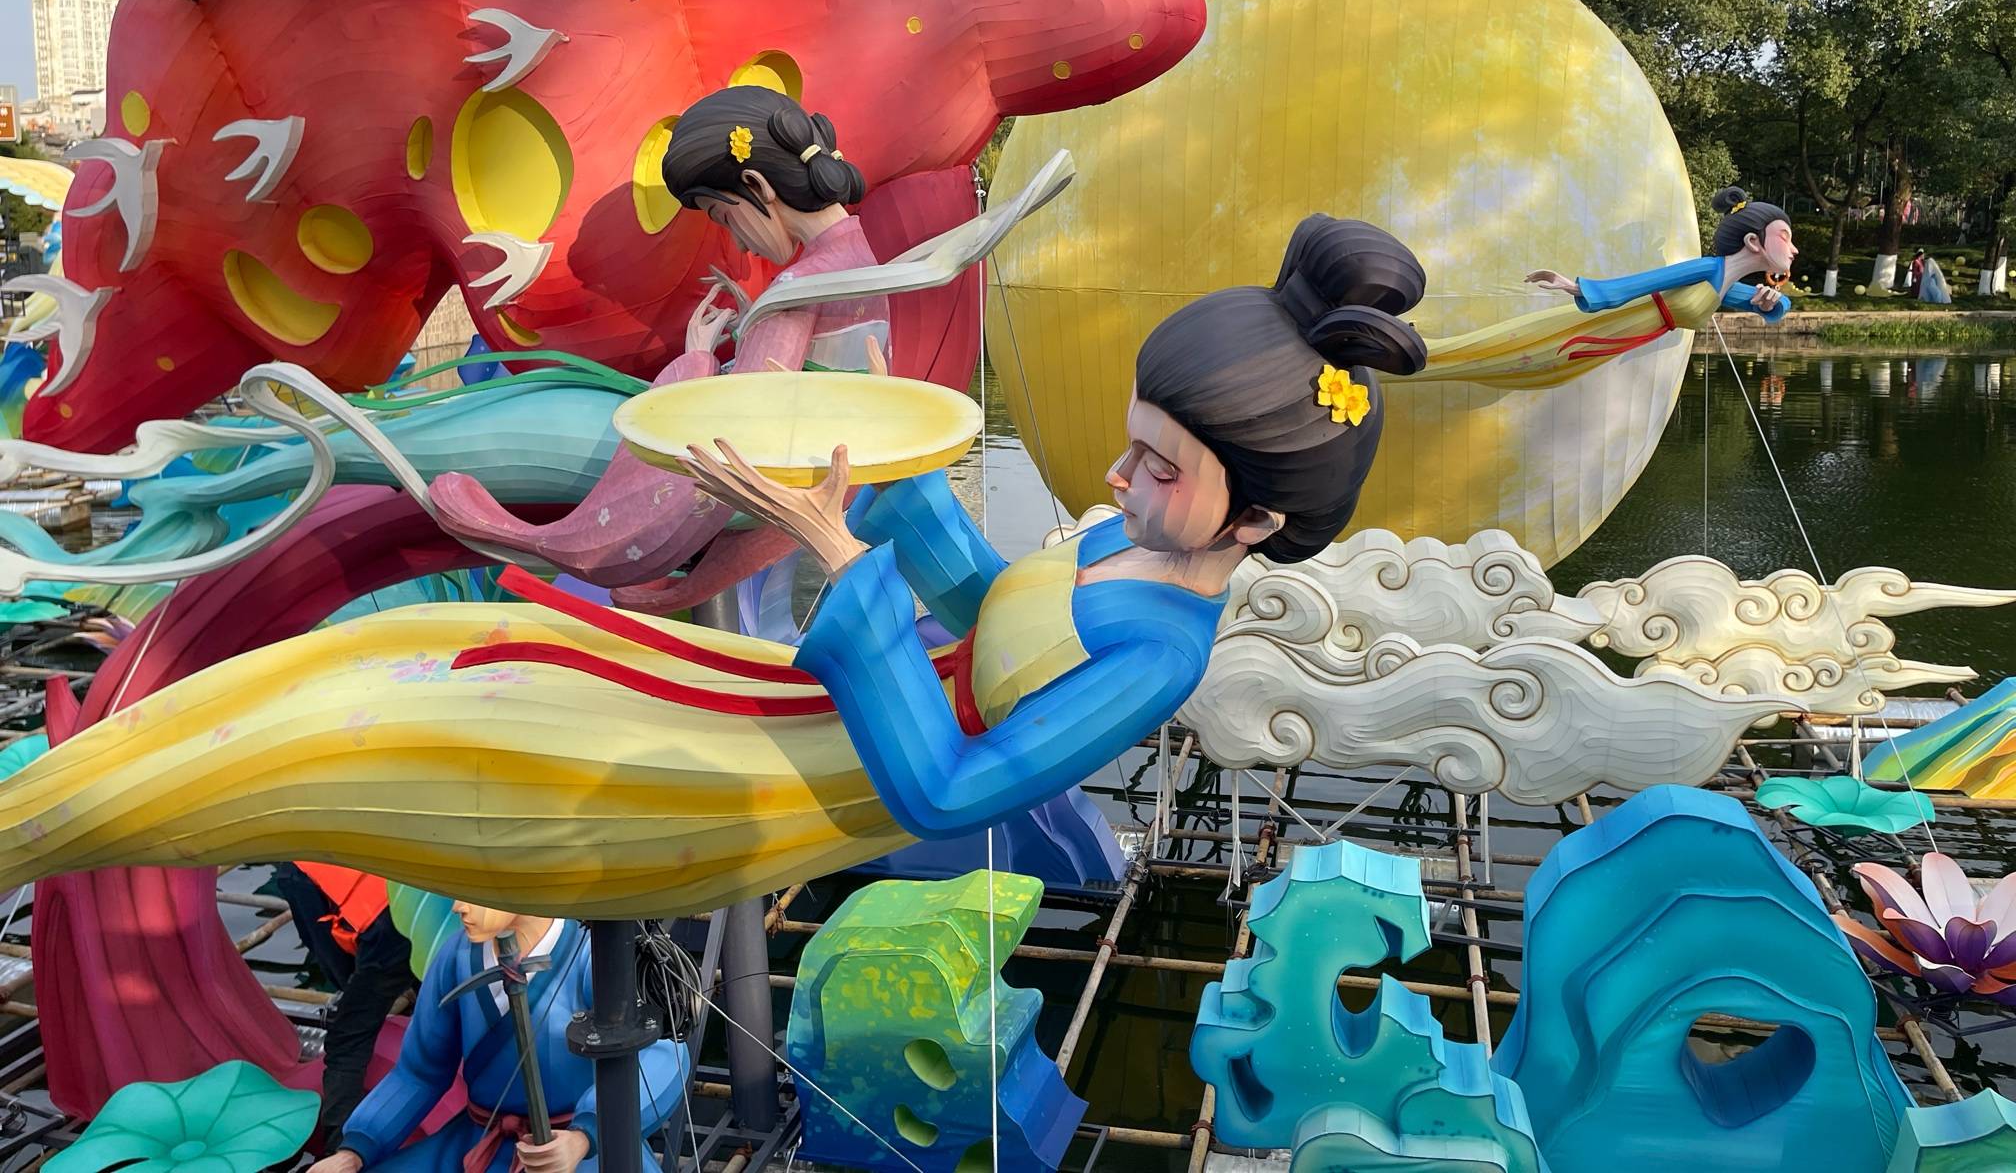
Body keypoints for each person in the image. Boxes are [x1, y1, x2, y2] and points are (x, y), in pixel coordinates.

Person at [0, 217, 1426, 914]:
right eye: (1131, 446)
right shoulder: (1125, 542)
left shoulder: (1157, 659)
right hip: (812, 703)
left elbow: (945, 790)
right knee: (498, 648)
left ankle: (93, 807)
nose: (1116, 482)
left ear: (1256, 523)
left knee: (459, 727)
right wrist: (893, 496)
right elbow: (998, 611)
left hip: (815, 780)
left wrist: (840, 564)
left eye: (1159, 468)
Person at [427, 85, 889, 587]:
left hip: (771, 469)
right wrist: (753, 320)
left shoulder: (798, 285)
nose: (738, 242)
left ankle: (567, 540)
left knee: (663, 395)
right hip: (836, 455)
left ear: (756, 185)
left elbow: (748, 408)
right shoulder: (860, 256)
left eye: (724, 216)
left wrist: (696, 360)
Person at [306, 900, 687, 1173]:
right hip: (478, 1139)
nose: (457, 906)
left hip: (577, 1148)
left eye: (473, 892)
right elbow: (419, 1073)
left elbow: (664, 1052)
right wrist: (357, 1149)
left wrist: (585, 1135)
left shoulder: (595, 954)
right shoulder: (456, 957)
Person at [1402, 185, 1796, 391]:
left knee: (1525, 366)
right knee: (1514, 349)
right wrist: (1575, 287)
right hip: (1608, 326)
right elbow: (1644, 283)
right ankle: (1416, 350)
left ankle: (1411, 358)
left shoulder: (1725, 285)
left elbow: (1773, 307)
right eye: (1785, 236)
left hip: (1614, 341)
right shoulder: (1707, 269)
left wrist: (1771, 304)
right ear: (1753, 242)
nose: (1793, 249)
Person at [270, 862, 420, 1142]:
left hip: (387, 931)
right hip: (422, 903)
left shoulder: (294, 871)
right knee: (441, 1002)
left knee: (347, 1040)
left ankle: (339, 1146)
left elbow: (330, 957)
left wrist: (355, 991)